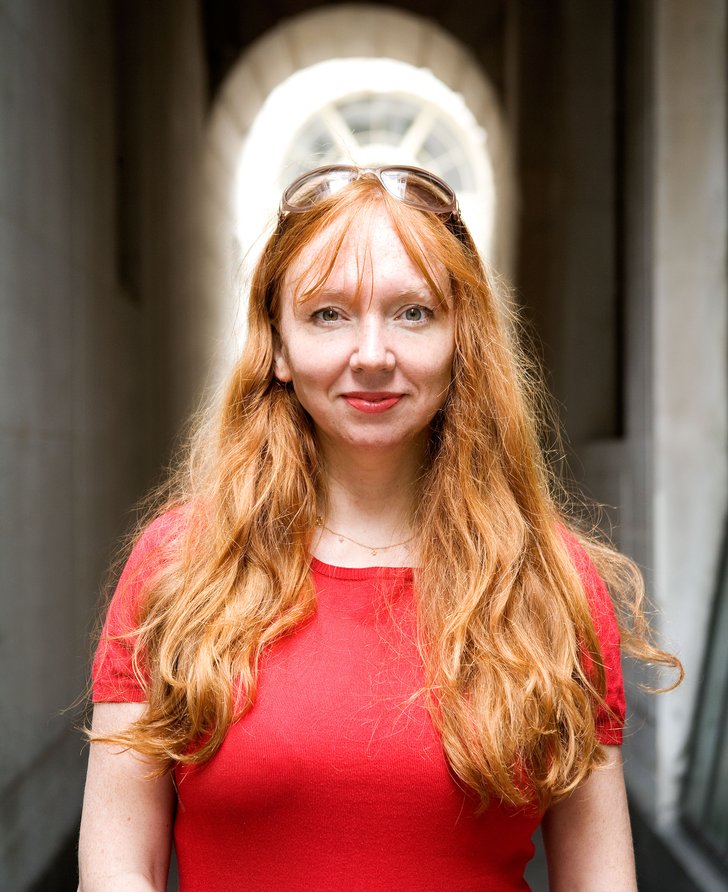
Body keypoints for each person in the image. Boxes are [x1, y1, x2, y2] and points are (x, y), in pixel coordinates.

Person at [78, 165, 681, 891]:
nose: (371, 355)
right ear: (277, 345)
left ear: (463, 339)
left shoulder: (548, 580)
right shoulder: (179, 567)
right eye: (328, 314)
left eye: (413, 313)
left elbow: (600, 880)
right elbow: (117, 869)